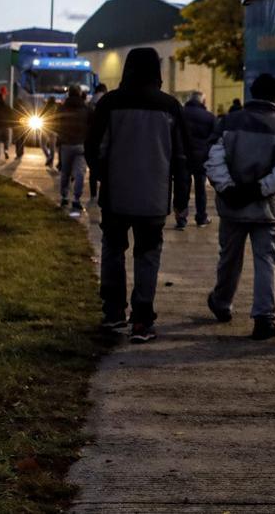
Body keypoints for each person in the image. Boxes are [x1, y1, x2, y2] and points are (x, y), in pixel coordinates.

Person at [85, 48, 190, 344]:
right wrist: (181, 199)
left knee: (113, 250)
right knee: (148, 255)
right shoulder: (169, 106)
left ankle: (114, 312)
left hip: (116, 195)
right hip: (154, 197)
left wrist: (106, 176)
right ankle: (143, 320)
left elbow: (94, 149)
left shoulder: (110, 103)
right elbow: (181, 157)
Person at [204, 74, 275, 340]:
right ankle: (264, 317)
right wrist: (260, 189)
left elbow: (214, 159)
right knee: (266, 260)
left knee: (229, 258)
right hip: (266, 209)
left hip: (232, 207)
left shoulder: (228, 122)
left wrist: (230, 189)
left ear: (252, 93)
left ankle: (221, 302)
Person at [174, 91, 216, 230]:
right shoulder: (209, 117)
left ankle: (181, 218)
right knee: (200, 188)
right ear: (203, 102)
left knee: (182, 188)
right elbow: (214, 138)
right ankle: (201, 217)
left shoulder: (180, 114)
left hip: (183, 156)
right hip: (201, 157)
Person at [55, 84, 91, 215]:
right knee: (80, 173)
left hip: (66, 144)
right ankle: (77, 198)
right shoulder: (86, 109)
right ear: (80, 94)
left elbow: (56, 125)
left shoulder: (62, 108)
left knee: (65, 172)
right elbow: (91, 125)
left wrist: (60, 139)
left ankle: (64, 197)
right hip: (81, 145)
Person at [87, 83, 108, 202]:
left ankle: (93, 194)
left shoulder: (90, 103)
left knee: (93, 169)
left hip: (93, 138)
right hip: (105, 138)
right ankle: (104, 196)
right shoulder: (108, 100)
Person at [40, 97, 59, 170]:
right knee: (52, 147)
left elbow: (41, 116)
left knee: (42, 144)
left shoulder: (46, 107)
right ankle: (51, 162)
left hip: (45, 128)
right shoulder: (57, 108)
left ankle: (48, 157)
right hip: (54, 130)